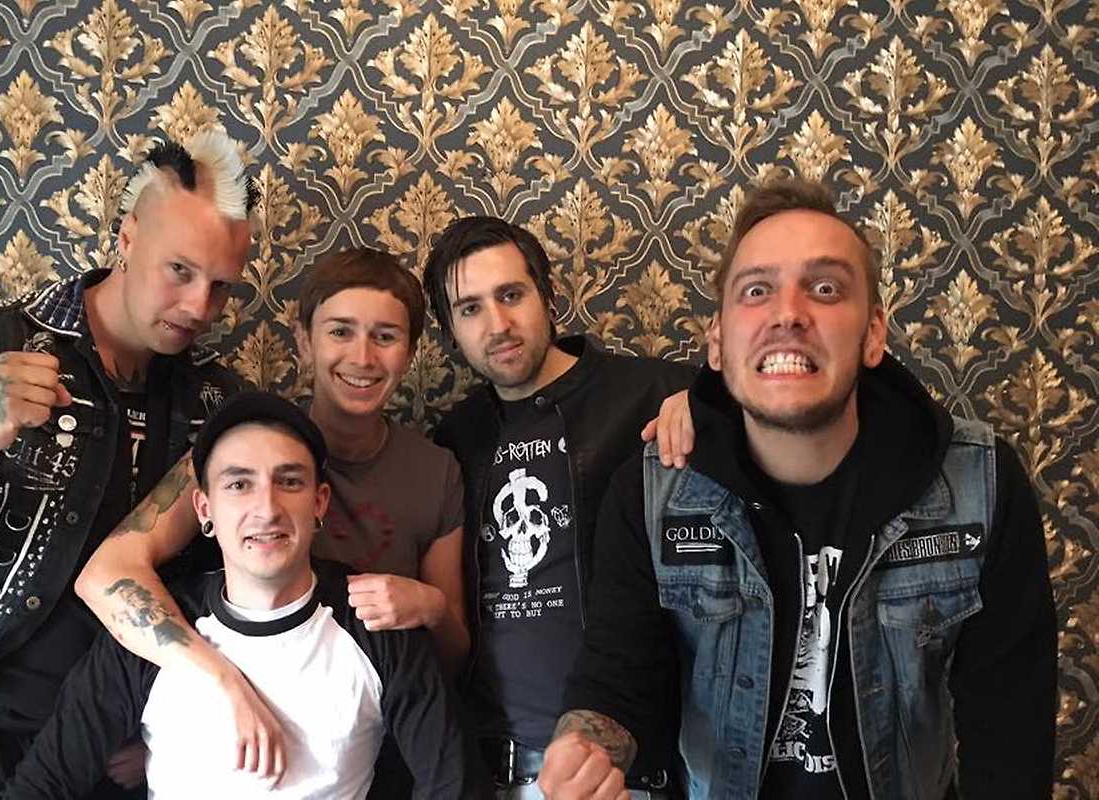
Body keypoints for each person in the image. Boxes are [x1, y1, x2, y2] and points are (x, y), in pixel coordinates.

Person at [538, 179, 1057, 799]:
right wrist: (585, 746)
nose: (788, 313)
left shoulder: (980, 484)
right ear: (718, 342)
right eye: (757, 290)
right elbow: (620, 675)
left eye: (826, 288)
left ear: (873, 334)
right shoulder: (651, 494)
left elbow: (1009, 732)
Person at [0, 130, 256, 797]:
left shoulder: (217, 402)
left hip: (123, 739)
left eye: (221, 286)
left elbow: (226, 587)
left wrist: (170, 719)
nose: (200, 307)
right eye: (180, 270)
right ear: (127, 237)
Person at [72, 247, 468, 784]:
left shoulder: (436, 471)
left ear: (411, 352)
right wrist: (184, 721)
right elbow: (107, 576)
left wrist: (432, 607)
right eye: (340, 331)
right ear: (303, 342)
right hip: (234, 736)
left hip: (382, 743)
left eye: (385, 336)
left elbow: (453, 658)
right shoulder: (243, 448)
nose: (363, 357)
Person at [1, 392, 473, 799]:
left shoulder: (376, 623)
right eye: (239, 484)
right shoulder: (150, 632)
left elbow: (455, 785)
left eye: (289, 481)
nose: (266, 508)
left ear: (319, 503)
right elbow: (42, 785)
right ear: (204, 509)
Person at [421, 217, 696, 798]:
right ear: (449, 331)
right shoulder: (455, 439)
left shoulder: (652, 395)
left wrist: (708, 403)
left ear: (548, 295)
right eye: (470, 309)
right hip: (493, 771)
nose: (498, 325)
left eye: (511, 295)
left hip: (625, 771)